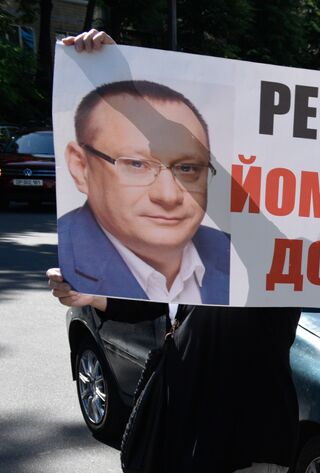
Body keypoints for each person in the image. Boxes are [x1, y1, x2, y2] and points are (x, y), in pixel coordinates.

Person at [47, 28, 298, 473]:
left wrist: (119, 70)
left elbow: (208, 173)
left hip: (246, 441)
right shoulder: (196, 252)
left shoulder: (266, 249)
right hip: (220, 438)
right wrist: (93, 299)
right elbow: (166, 314)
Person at [58, 78, 230, 305]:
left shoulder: (235, 254)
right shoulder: (71, 263)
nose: (168, 196)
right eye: (137, 164)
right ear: (81, 167)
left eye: (187, 168)